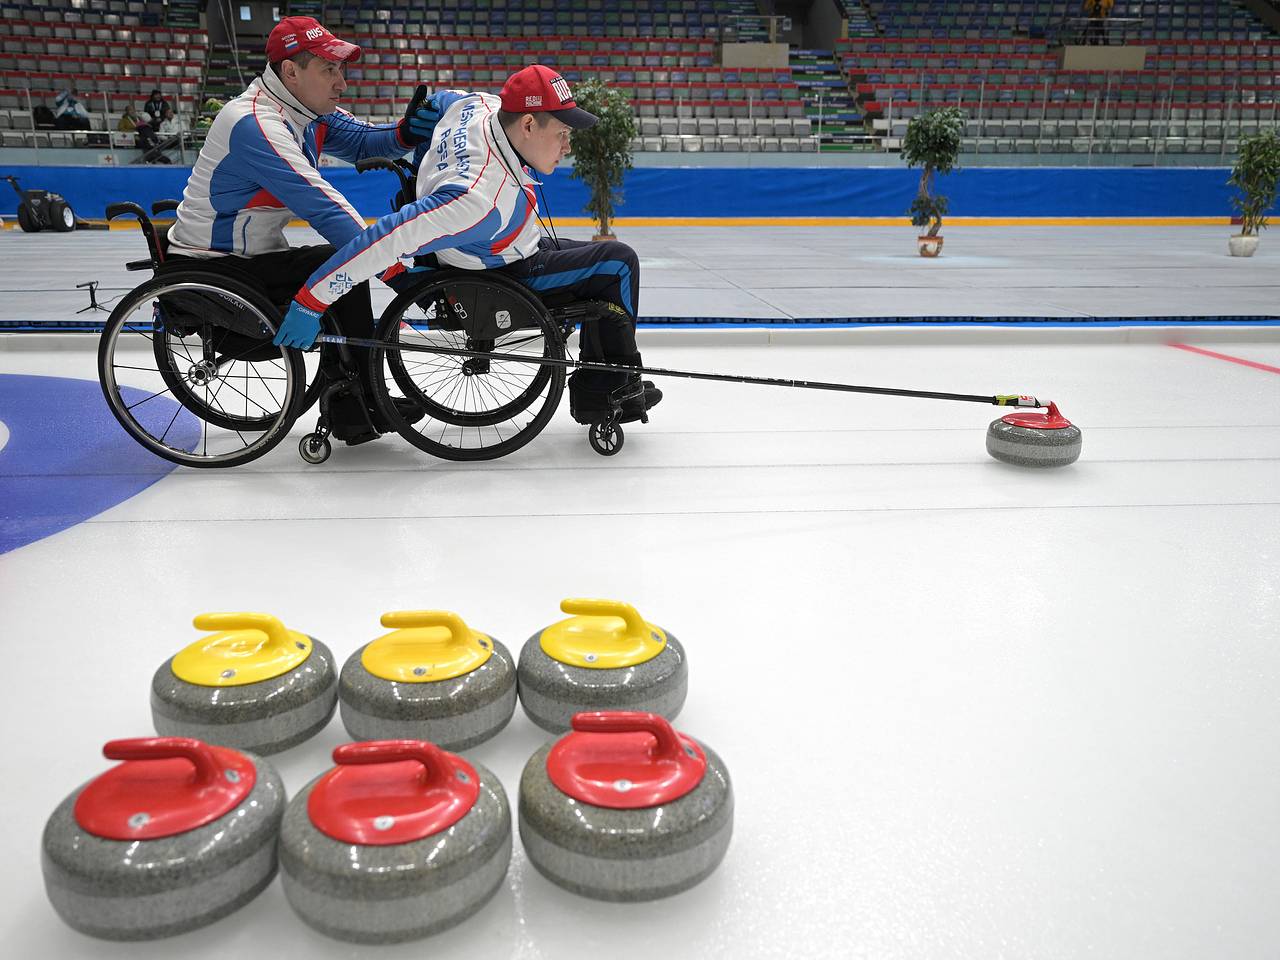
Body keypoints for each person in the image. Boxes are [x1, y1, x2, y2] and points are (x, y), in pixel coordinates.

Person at [273, 63, 660, 425]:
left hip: (503, 245)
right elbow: (383, 240)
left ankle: (602, 383)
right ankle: (609, 390)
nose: (567, 147)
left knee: (601, 261)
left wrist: (425, 110)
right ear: (528, 124)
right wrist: (312, 301)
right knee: (618, 261)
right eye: (561, 134)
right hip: (503, 272)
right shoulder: (475, 201)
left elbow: (442, 99)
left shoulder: (478, 106)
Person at [164, 16, 441, 444]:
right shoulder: (255, 122)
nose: (342, 83)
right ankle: (361, 401)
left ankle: (354, 402)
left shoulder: (303, 112)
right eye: (329, 69)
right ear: (290, 71)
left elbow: (366, 141)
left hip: (252, 260)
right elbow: (323, 206)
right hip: (214, 268)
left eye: (341, 70)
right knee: (339, 269)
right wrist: (391, 268)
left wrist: (406, 132)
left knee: (337, 269)